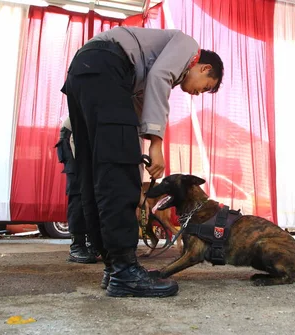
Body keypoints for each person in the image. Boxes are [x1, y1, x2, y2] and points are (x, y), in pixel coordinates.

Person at [60, 26, 224, 298]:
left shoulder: (141, 72)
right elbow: (161, 76)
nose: (196, 94)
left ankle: (114, 268)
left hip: (83, 72)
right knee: (116, 175)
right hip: (106, 66)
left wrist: (135, 174)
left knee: (94, 175)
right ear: (204, 67)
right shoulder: (188, 47)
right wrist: (156, 143)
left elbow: (129, 131)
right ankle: (124, 272)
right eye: (204, 88)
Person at [54, 117, 98, 264]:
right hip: (72, 137)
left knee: (95, 192)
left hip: (89, 139)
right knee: (78, 192)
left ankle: (94, 243)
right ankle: (77, 246)